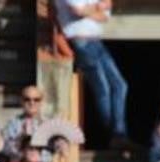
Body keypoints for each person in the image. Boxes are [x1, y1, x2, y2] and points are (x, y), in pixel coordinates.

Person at [55, 0, 129, 149]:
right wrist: (95, 8)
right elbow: (77, 10)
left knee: (120, 85)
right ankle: (115, 135)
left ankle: (119, 131)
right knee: (102, 88)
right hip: (80, 41)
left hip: (95, 41)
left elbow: (105, 16)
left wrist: (90, 10)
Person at [0, 85, 48, 162]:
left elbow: (53, 152)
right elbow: (4, 147)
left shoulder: (47, 125)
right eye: (27, 99)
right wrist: (21, 151)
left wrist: (39, 157)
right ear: (21, 101)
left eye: (36, 100)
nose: (31, 103)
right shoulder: (12, 124)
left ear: (41, 102)